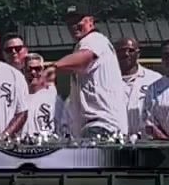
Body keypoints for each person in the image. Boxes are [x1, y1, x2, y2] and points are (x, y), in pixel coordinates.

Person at [54, 7, 127, 142]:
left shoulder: (94, 39)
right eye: (70, 23)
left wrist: (54, 67)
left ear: (91, 21)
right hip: (102, 127)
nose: (73, 26)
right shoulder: (89, 42)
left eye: (77, 21)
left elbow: (85, 57)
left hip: (101, 126)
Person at [115, 38, 159, 139]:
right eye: (121, 51)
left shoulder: (154, 80)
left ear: (138, 54)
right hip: (115, 141)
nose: (126, 54)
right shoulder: (106, 80)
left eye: (131, 50)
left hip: (147, 141)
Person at [24, 55, 67, 139]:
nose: (33, 72)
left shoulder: (54, 99)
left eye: (37, 69)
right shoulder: (19, 98)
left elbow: (63, 128)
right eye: (29, 69)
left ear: (43, 71)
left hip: (47, 144)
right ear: (24, 71)